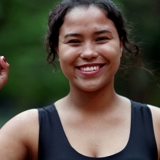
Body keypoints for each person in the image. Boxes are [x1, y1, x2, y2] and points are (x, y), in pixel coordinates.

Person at [0, 0, 160, 159]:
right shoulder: (27, 129)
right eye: (74, 41)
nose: (88, 53)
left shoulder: (156, 124)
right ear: (57, 49)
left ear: (120, 44)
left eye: (101, 39)